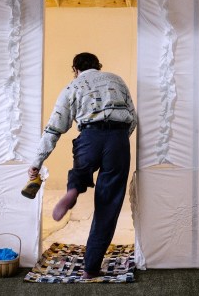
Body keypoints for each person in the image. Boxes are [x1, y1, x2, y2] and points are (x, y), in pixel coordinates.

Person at [28, 52, 138, 279]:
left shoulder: (73, 86)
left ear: (75, 69)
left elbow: (54, 128)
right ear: (98, 66)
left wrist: (36, 163)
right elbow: (132, 117)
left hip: (90, 136)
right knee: (108, 205)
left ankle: (74, 188)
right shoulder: (116, 80)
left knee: (81, 168)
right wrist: (117, 139)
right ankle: (91, 268)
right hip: (117, 139)